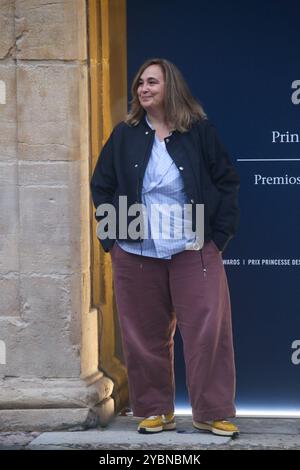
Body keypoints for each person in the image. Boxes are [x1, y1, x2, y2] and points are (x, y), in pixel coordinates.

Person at [90, 58, 240, 437]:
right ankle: (155, 410)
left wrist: (218, 237)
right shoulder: (125, 134)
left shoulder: (198, 131)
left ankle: (212, 413)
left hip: (193, 247)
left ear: (170, 87)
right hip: (136, 251)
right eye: (140, 82)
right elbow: (101, 185)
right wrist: (113, 239)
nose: (143, 88)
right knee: (143, 335)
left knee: (208, 332)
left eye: (152, 82)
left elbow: (226, 181)